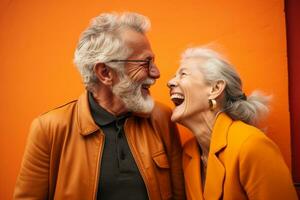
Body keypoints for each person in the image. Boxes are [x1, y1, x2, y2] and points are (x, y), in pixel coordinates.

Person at [14, 12, 185, 200]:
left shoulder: (161, 118)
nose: (156, 72)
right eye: (146, 62)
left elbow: (179, 196)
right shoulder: (49, 128)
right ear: (105, 72)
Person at [167, 47, 298, 200]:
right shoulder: (189, 153)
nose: (169, 82)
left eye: (183, 74)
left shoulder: (251, 145)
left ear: (215, 88)